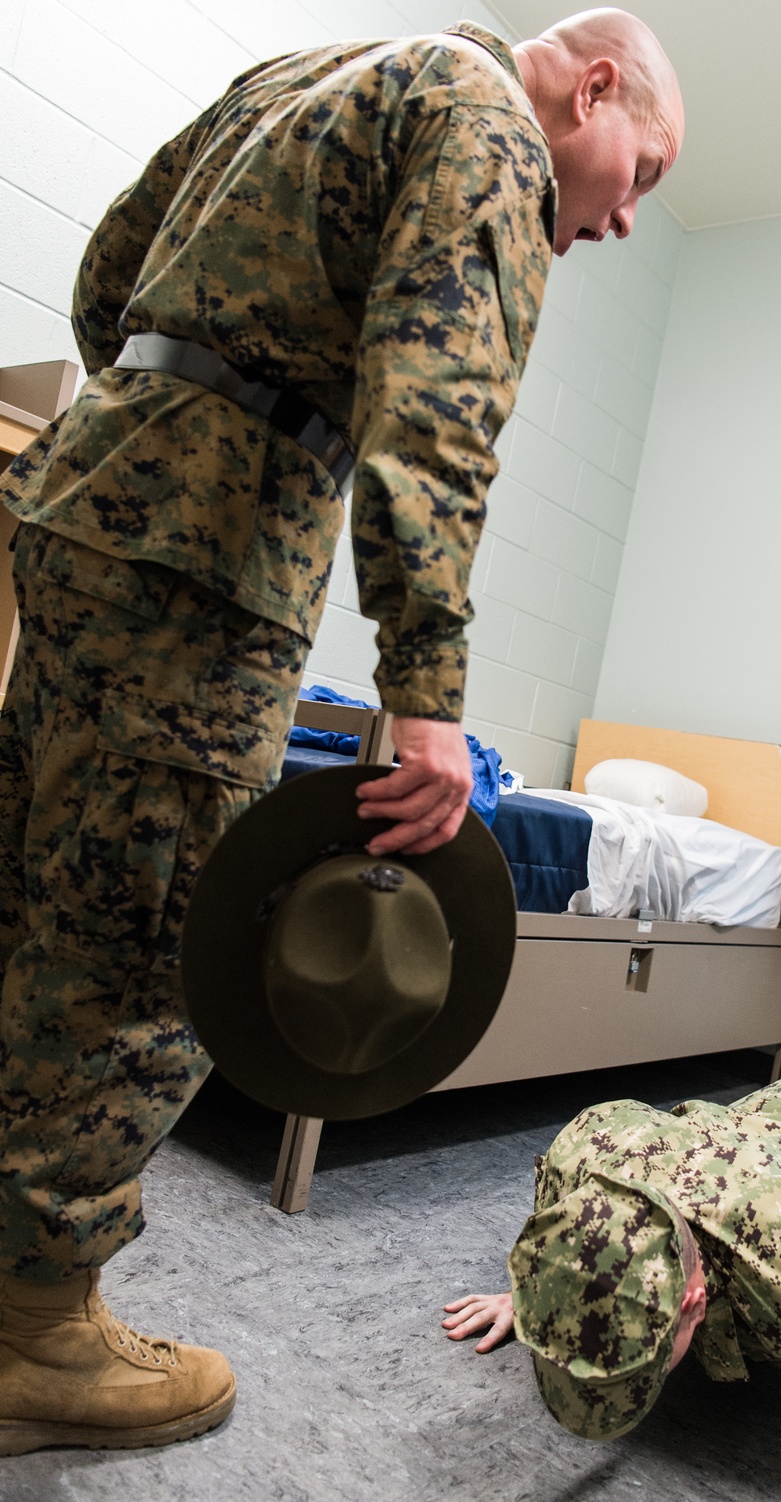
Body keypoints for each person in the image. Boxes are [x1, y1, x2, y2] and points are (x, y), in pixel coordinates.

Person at [0, 9, 684, 1457]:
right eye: (645, 175)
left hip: (90, 505)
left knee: (34, 898)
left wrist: (166, 413)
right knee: (146, 955)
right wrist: (426, 697)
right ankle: (33, 1328)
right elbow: (437, 419)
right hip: (205, 562)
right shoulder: (492, 126)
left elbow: (109, 269)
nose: (625, 217)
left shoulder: (322, 74)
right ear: (597, 86)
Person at [443, 1075, 781, 1502]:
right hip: (778, 1113)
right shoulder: (581, 1156)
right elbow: (573, 1220)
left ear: (693, 1301)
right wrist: (549, 1294)